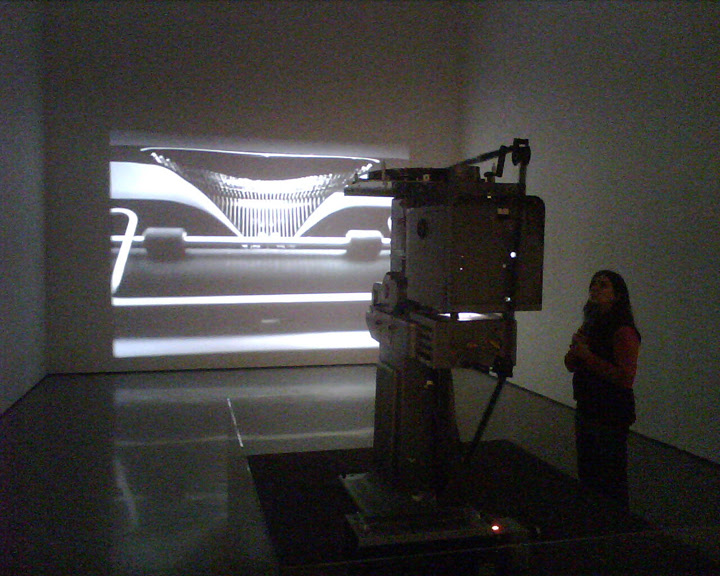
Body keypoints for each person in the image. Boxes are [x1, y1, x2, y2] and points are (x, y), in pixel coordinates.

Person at [564, 270, 641, 509]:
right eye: (594, 284)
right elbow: (570, 364)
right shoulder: (590, 325)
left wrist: (587, 356)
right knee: (588, 472)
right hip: (587, 406)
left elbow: (625, 378)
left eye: (603, 285)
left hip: (610, 411)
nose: (595, 288)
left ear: (617, 295)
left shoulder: (623, 331)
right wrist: (576, 350)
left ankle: (615, 523)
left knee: (610, 476)